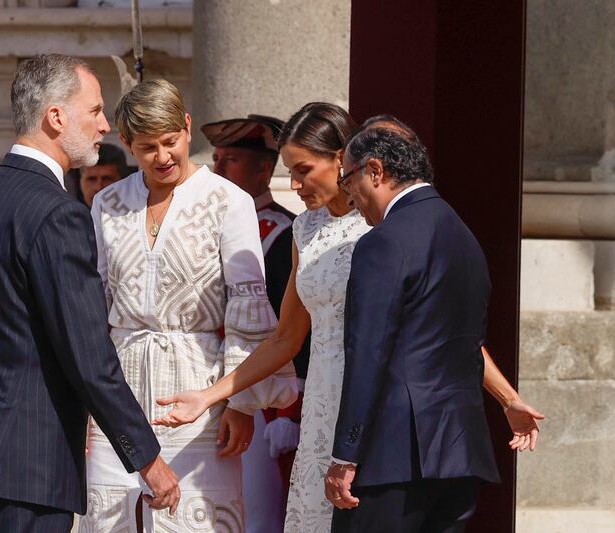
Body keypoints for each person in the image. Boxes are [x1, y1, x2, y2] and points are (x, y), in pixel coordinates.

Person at [153, 108, 544, 533]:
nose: (295, 185)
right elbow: (285, 339)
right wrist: (211, 396)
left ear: (343, 161)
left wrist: (508, 398)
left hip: (377, 413)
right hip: (324, 409)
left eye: (303, 170)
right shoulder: (304, 230)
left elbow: (440, 330)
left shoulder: (386, 226)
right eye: (289, 172)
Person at [0, 54, 180, 532]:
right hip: (28, 463)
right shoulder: (58, 213)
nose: (105, 124)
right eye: (95, 110)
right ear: (56, 117)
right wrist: (147, 458)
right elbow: (87, 353)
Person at [79, 80, 298, 533]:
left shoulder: (228, 201)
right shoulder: (107, 203)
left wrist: (241, 403)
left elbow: (246, 305)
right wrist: (84, 401)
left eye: (170, 142)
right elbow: (92, 308)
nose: (163, 157)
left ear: (186, 126)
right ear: (126, 144)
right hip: (117, 398)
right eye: (147, 147)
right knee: (108, 522)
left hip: (199, 399)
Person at [323, 125, 508, 532]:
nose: (349, 197)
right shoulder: (465, 237)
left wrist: (345, 455)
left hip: (392, 457)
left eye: (347, 180)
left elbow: (367, 352)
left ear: (374, 170)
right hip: (459, 453)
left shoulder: (383, 242)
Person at [202, 114, 311, 533]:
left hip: (260, 395)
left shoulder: (283, 232)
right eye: (216, 159)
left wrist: (288, 409)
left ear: (264, 169)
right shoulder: (207, 227)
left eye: (230, 160)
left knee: (257, 513)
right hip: (208, 382)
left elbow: (295, 327)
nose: (218, 169)